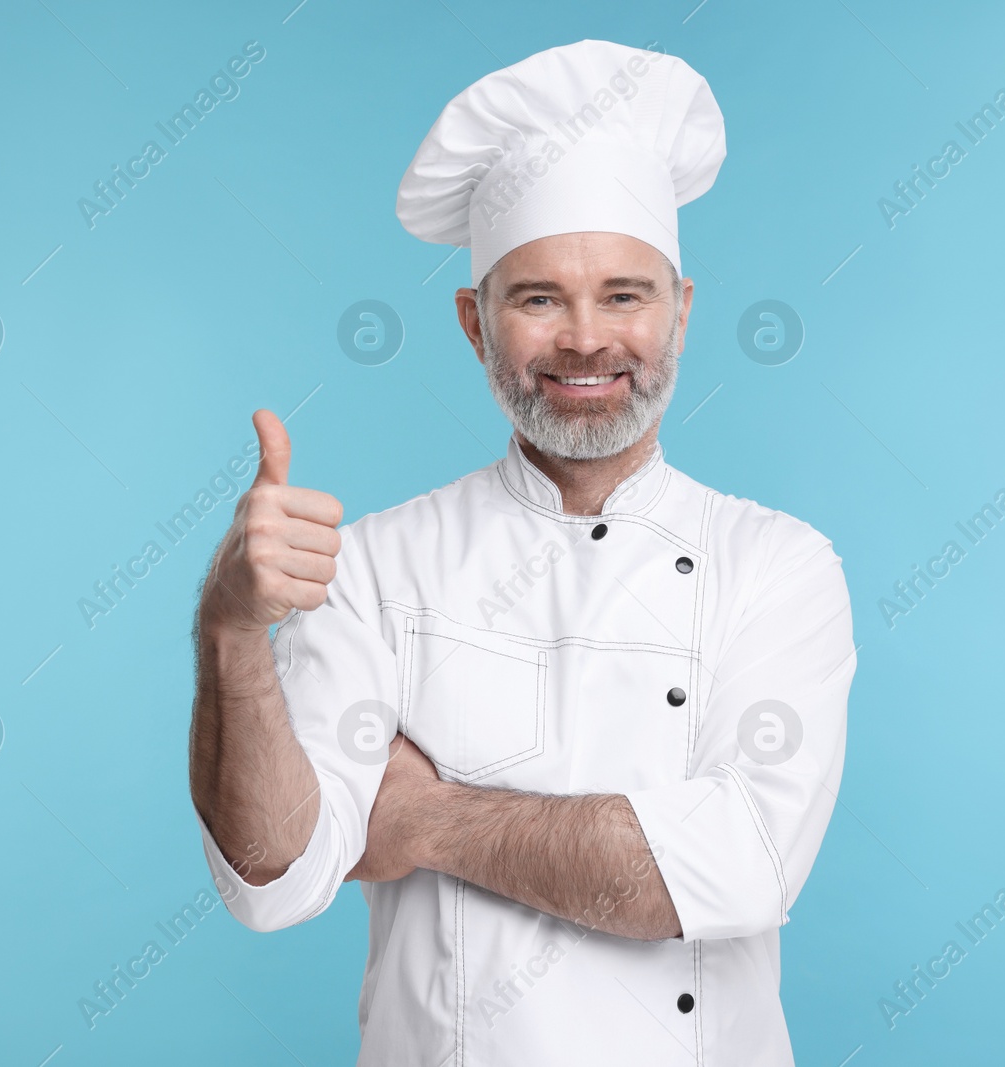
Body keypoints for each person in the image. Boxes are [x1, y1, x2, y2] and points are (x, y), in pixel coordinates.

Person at [188, 38, 857, 1065]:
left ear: (680, 309)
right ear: (474, 323)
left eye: (625, 294)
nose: (587, 339)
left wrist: (429, 818)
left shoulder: (777, 564)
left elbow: (735, 867)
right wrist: (232, 628)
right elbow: (273, 877)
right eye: (538, 297)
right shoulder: (375, 564)